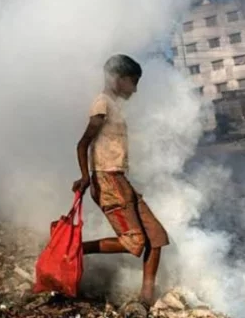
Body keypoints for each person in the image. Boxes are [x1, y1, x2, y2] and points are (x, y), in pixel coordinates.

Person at [72, 54, 169, 307]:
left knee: (156, 237)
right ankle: (76, 249)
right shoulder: (101, 104)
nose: (135, 89)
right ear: (118, 78)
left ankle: (146, 299)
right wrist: (86, 177)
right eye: (133, 82)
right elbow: (83, 144)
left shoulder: (113, 106)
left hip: (119, 179)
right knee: (135, 242)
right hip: (108, 180)